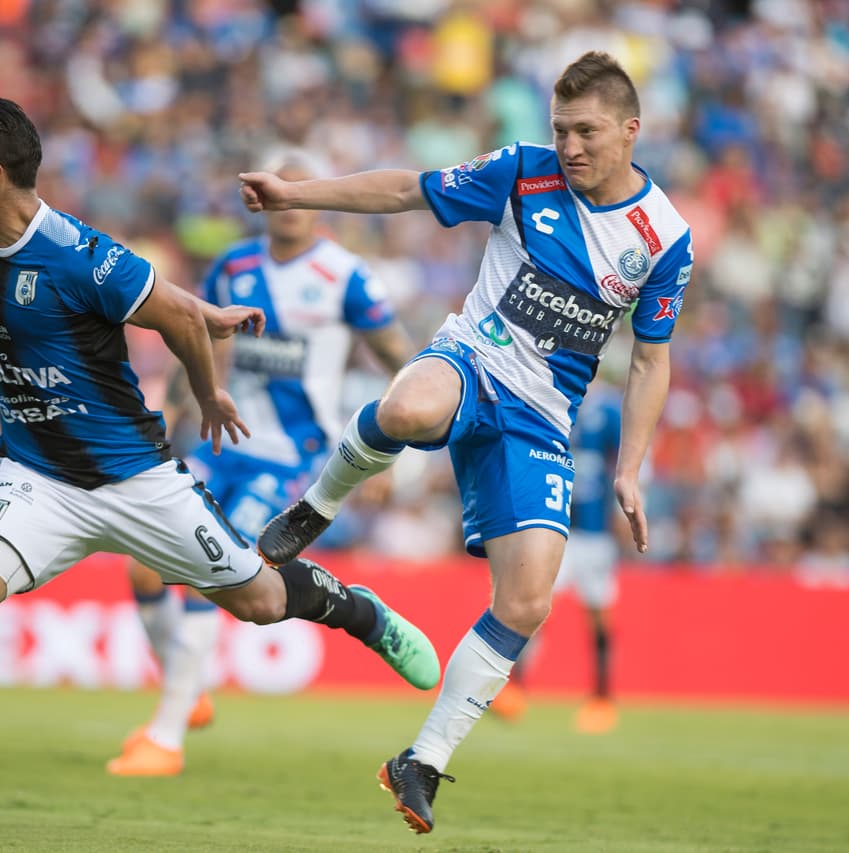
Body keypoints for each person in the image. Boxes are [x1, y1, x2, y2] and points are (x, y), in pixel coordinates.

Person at [0, 98, 440, 820]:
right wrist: (206, 311)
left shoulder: (71, 250)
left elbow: (168, 311)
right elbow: (165, 299)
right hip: (36, 479)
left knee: (260, 601)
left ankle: (361, 614)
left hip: (135, 480)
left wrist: (208, 391)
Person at [239, 51, 693, 834]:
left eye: (586, 131)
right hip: (473, 360)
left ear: (631, 130)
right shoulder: (523, 171)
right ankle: (315, 507)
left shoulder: (664, 237)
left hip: (541, 418)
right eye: (560, 129)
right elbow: (405, 190)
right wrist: (297, 192)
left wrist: (630, 468)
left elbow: (652, 359)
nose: (569, 146)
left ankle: (421, 761)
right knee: (408, 405)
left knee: (528, 600)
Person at [107, 148, 413, 776]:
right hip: (222, 444)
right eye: (282, 187)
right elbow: (194, 335)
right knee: (143, 568)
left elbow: (401, 362)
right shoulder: (234, 267)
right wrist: (172, 401)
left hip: (291, 458)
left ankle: (166, 736)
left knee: (210, 568)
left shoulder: (345, 276)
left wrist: (395, 450)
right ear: (263, 197)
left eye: (303, 188)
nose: (290, 201)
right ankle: (188, 691)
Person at [489, 382, 626, 734]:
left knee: (597, 612)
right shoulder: (552, 395)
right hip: (554, 523)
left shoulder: (607, 410)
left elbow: (627, 455)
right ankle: (516, 688)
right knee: (534, 605)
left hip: (594, 529)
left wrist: (621, 508)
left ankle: (602, 696)